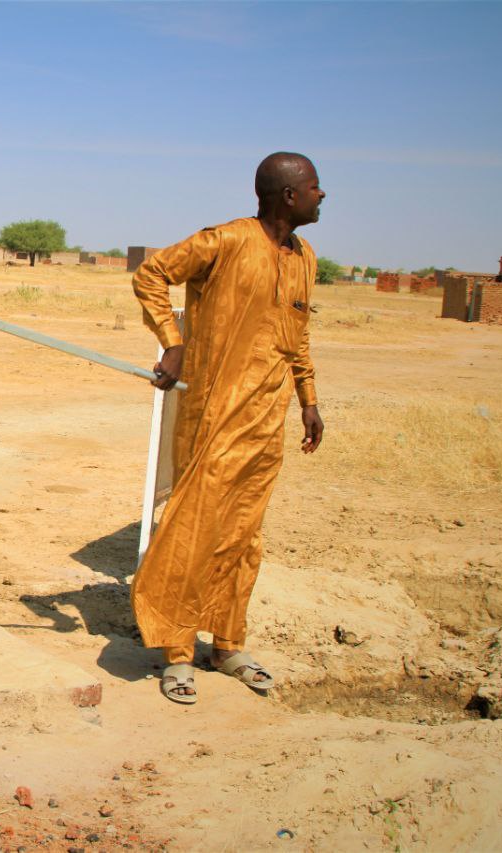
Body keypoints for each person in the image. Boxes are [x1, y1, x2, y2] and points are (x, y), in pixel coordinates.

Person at [130, 152, 326, 704]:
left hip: (269, 420)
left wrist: (308, 399)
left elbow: (298, 336)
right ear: (288, 195)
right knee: (195, 527)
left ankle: (228, 644)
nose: (322, 196)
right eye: (314, 187)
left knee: (244, 535)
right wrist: (174, 341)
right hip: (214, 415)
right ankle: (175, 651)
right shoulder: (225, 241)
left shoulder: (304, 255)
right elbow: (152, 275)